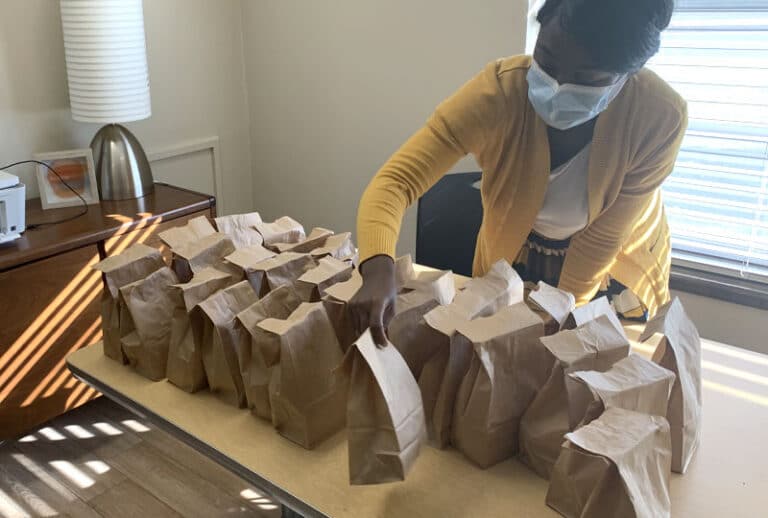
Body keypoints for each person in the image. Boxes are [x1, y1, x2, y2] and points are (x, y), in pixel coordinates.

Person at [351, 0, 687, 345]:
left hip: (608, 270)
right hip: (517, 252)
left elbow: (600, 241)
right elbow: (397, 181)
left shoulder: (660, 116)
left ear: (629, 72)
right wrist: (377, 267)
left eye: (585, 78)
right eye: (547, 59)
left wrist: (557, 319)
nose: (557, 84)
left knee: (579, 363)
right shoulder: (499, 93)